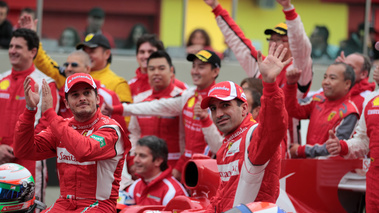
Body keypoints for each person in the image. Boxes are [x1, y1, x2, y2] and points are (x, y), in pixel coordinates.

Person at [14, 73, 131, 212]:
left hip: (99, 205)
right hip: (64, 203)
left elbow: (84, 151)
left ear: (98, 98)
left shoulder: (110, 129)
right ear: (67, 103)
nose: (82, 98)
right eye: (75, 95)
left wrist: (50, 114)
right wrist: (30, 110)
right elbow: (23, 150)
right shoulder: (61, 126)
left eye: (87, 93)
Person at [203, 0, 313, 147]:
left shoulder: (299, 70)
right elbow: (238, 40)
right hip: (253, 144)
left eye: (281, 40)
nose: (274, 43)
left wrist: (288, 9)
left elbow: (301, 45)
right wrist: (216, 8)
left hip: (288, 150)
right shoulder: (261, 65)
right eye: (272, 39)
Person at [103, 49, 223, 181]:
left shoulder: (221, 101)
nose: (195, 71)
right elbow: (156, 107)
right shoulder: (187, 96)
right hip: (184, 168)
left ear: (215, 71)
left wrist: (205, 119)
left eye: (201, 67)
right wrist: (117, 109)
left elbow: (220, 148)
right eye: (194, 66)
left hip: (207, 170)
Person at [199, 43, 289, 213]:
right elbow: (222, 197)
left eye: (225, 106)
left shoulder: (253, 135)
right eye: (213, 108)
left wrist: (270, 85)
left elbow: (275, 126)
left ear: (244, 109)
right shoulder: (228, 142)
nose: (218, 114)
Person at [0, 28, 59, 207]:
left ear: (33, 52)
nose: (12, 50)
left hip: (29, 160)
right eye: (11, 46)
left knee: (31, 207)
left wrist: (15, 147)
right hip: (0, 155)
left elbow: (46, 124)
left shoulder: (45, 83)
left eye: (18, 46)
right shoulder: (0, 80)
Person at [325, 65, 379, 213]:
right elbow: (364, 140)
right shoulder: (372, 100)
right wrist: (342, 146)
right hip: (374, 180)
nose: (378, 66)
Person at [32, 47, 127, 130]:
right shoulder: (60, 95)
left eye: (74, 65)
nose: (68, 68)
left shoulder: (108, 96)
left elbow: (120, 129)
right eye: (66, 65)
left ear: (88, 69)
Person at [285, 62, 359, 158]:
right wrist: (291, 84)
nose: (326, 82)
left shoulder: (349, 112)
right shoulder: (317, 99)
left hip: (331, 170)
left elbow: (335, 148)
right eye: (325, 77)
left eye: (332, 78)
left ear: (347, 84)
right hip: (310, 166)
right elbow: (292, 109)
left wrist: (302, 150)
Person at [128, 50, 184, 168]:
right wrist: (133, 159)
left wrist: (180, 166)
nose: (156, 73)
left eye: (161, 68)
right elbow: (134, 132)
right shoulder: (139, 99)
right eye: (152, 69)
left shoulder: (183, 99)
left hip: (174, 168)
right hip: (145, 168)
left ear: (171, 71)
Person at [126, 136, 188, 205]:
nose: (135, 160)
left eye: (142, 156)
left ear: (158, 161)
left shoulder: (173, 192)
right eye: (135, 155)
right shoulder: (135, 185)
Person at [128, 34, 187, 102]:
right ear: (137, 56)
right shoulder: (130, 86)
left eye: (151, 52)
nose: (146, 56)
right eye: (142, 52)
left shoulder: (179, 86)